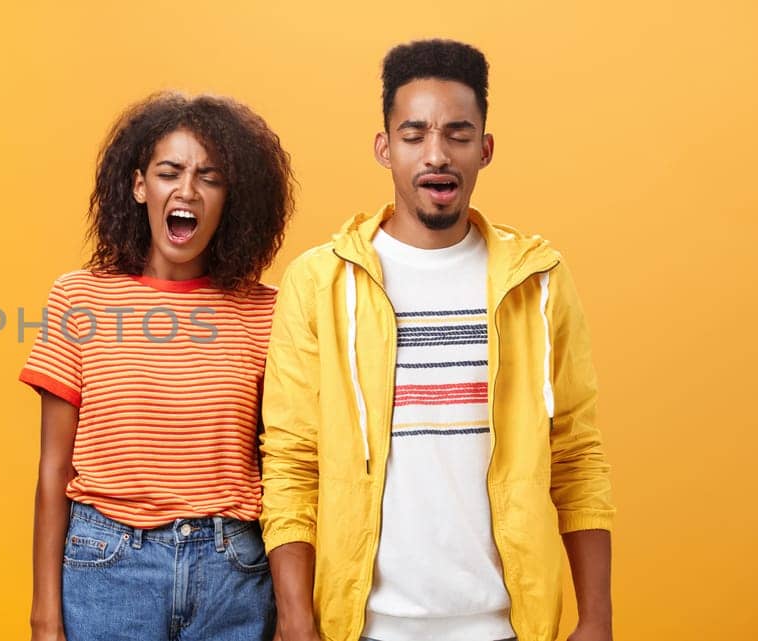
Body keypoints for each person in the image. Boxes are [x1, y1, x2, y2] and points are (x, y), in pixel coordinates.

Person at [259, 39, 614, 641]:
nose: (436, 154)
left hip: (507, 625)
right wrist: (296, 621)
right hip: (366, 626)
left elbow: (577, 455)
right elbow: (291, 462)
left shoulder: (539, 280)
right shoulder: (319, 282)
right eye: (414, 133)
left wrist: (598, 618)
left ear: (485, 148)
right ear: (384, 148)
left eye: (457, 133)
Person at [22, 91, 294, 641]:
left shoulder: (270, 310)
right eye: (170, 172)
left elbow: (289, 469)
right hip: (107, 568)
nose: (187, 190)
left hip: (234, 574)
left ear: (230, 197)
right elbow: (54, 469)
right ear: (140, 185)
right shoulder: (79, 300)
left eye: (209, 177)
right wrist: (44, 614)